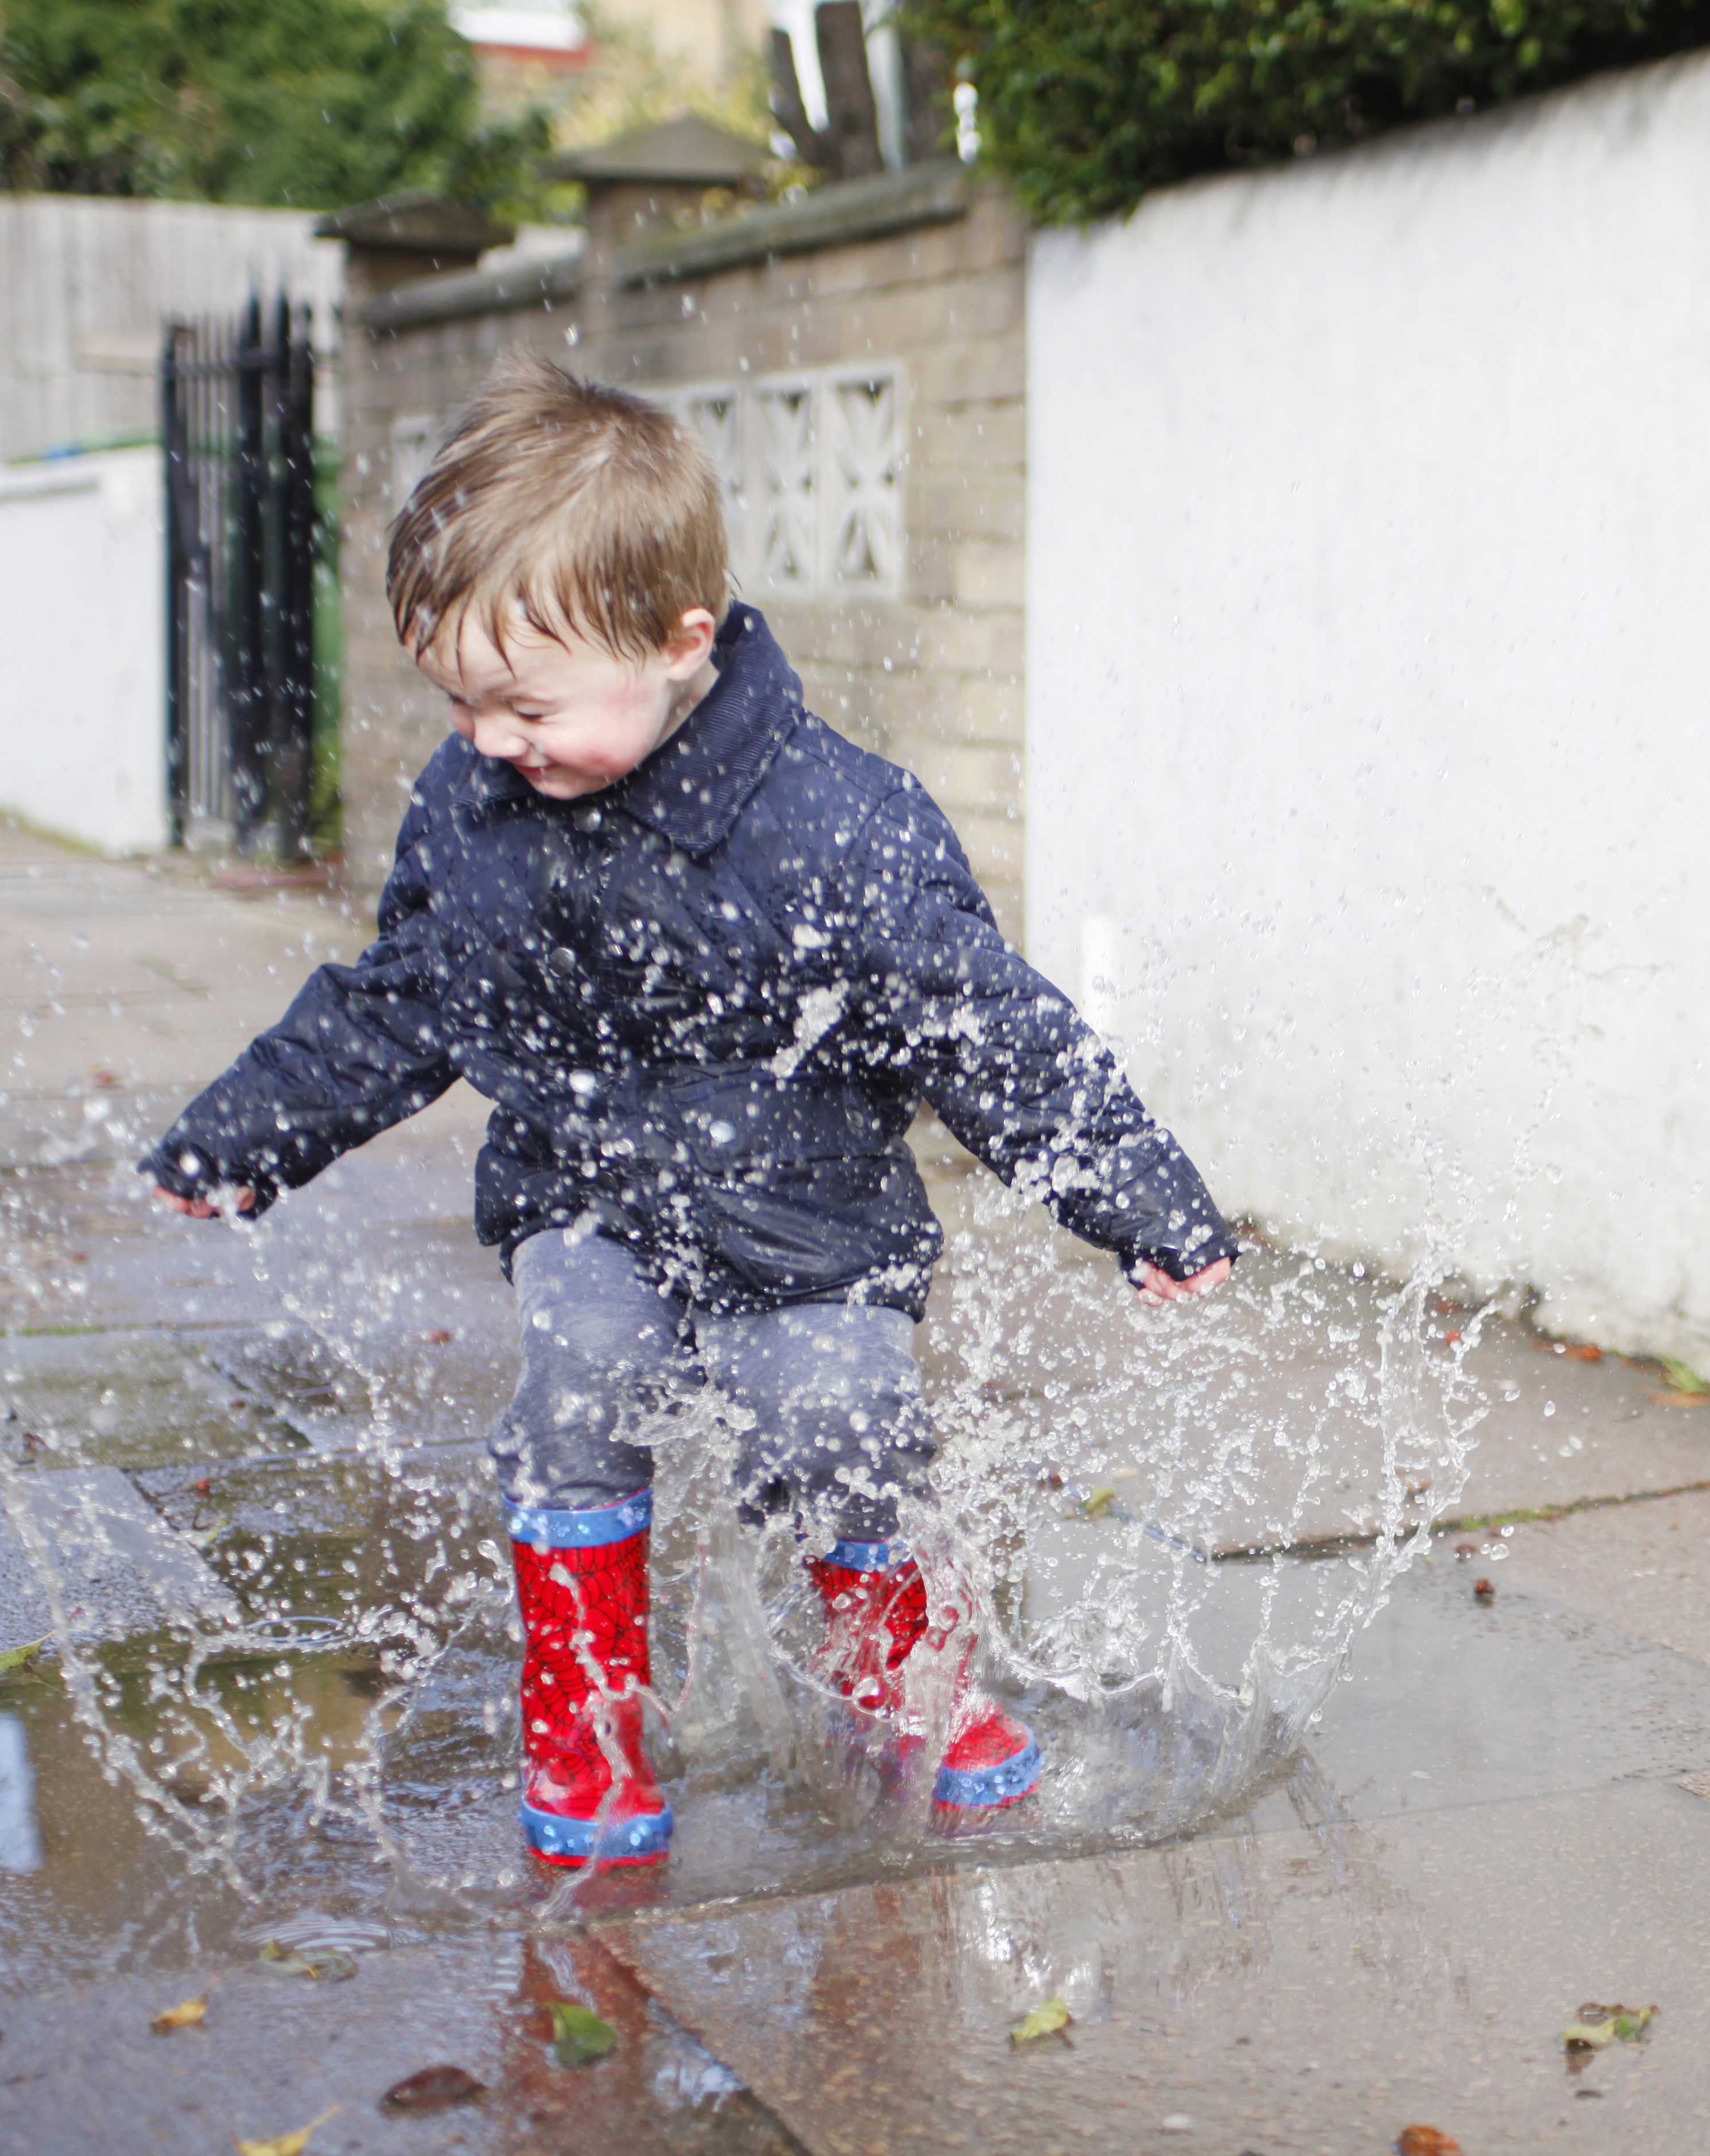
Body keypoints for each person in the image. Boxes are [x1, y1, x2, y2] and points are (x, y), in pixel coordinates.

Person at [141, 350, 1236, 1869]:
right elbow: (403, 997)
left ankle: (899, 1670)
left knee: (843, 1419)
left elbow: (987, 1029)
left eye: (521, 704)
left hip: (808, 1215)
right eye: (457, 700)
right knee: (577, 1383)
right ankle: (581, 1715)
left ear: (677, 641)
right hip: (585, 1193)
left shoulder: (834, 825)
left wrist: (1137, 1196)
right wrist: (246, 1133)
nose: (486, 741)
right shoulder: (475, 810)